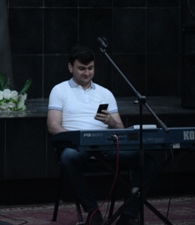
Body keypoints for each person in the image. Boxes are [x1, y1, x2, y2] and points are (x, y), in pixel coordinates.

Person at [47, 45, 157, 225]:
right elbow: (53, 126)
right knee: (68, 158)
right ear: (70, 67)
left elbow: (120, 129)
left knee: (148, 161)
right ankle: (93, 211)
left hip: (106, 147)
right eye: (82, 68)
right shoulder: (59, 90)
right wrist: (78, 138)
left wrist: (111, 122)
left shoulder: (105, 93)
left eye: (90, 68)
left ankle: (129, 214)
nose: (87, 73)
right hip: (77, 146)